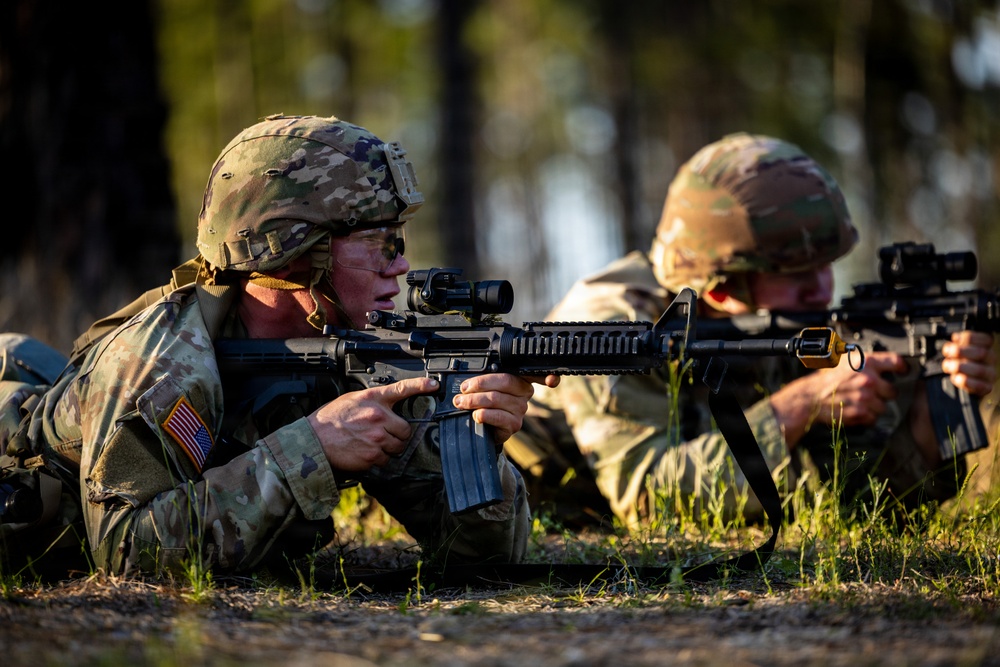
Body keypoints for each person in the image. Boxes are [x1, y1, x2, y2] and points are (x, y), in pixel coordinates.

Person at [0, 114, 556, 578]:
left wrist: (484, 443)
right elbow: (124, 556)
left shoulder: (355, 354)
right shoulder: (160, 360)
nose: (402, 265)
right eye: (382, 243)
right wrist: (313, 447)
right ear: (294, 255)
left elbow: (486, 560)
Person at [505, 132, 997, 529]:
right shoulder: (614, 326)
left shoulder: (779, 323)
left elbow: (850, 501)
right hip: (528, 502)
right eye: (797, 274)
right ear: (720, 289)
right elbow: (649, 500)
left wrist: (930, 419)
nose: (822, 289)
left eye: (827, 266)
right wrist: (800, 405)